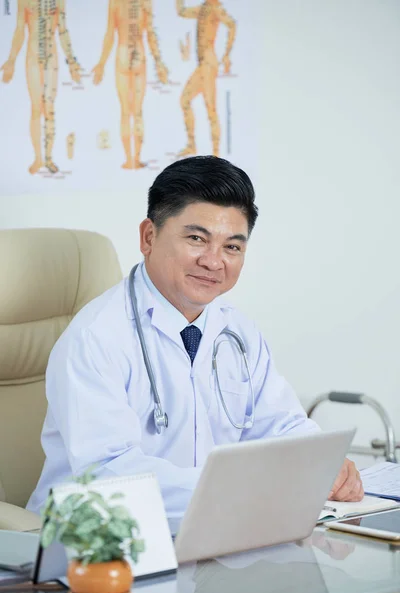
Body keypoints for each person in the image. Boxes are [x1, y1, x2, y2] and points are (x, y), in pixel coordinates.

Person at [27, 156, 364, 516]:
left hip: (213, 528)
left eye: (232, 247)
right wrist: (239, 490)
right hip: (96, 540)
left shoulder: (238, 331)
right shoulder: (96, 336)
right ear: (148, 236)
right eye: (196, 239)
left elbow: (280, 424)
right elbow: (109, 473)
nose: (214, 261)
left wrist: (321, 462)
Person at [1, 0, 81, 174]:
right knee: (37, 108)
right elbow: (20, 30)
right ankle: (38, 158)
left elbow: (63, 30)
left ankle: (49, 158)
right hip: (33, 58)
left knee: (49, 109)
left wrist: (73, 62)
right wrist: (11, 60)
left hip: (51, 58)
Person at [92, 0, 168, 170]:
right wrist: (159, 62)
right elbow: (150, 34)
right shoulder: (145, 3)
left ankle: (129, 160)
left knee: (126, 112)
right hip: (139, 55)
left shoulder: (115, 3)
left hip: (123, 55)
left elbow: (110, 34)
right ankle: (137, 159)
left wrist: (101, 63)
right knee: (137, 111)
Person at [176, 0, 236, 157]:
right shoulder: (203, 8)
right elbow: (181, 12)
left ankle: (216, 154)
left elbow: (231, 25)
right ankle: (192, 145)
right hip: (203, 64)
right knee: (185, 100)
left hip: (209, 64)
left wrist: (227, 54)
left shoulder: (216, 9)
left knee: (211, 109)